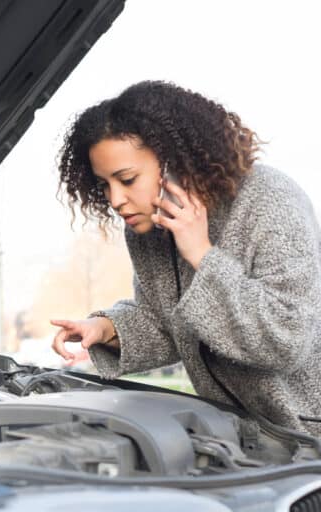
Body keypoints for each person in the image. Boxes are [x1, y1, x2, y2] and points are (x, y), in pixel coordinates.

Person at [51, 80, 321, 436]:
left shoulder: (271, 202)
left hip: (309, 440)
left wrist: (201, 255)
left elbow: (286, 340)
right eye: (104, 185)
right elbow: (170, 325)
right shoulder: (148, 229)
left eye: (127, 179)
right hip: (240, 438)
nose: (115, 199)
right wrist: (105, 329)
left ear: (176, 162)